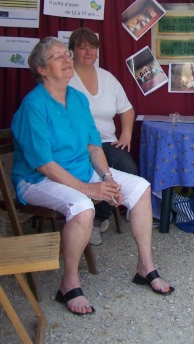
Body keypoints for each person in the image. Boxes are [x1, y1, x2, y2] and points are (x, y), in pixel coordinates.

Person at [11, 37, 174, 316]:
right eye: (58, 56)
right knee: (83, 207)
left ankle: (145, 267)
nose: (67, 60)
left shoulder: (76, 98)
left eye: (66, 55)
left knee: (141, 187)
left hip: (80, 171)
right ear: (41, 69)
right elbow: (44, 165)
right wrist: (90, 189)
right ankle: (69, 284)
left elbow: (93, 145)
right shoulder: (33, 105)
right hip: (37, 180)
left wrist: (107, 177)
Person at [68, 27, 139, 246]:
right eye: (82, 48)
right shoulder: (65, 76)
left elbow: (126, 109)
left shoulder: (107, 77)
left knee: (129, 169)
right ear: (71, 51)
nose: (88, 52)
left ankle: (99, 219)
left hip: (106, 141)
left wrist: (126, 134)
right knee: (94, 172)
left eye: (92, 47)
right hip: (76, 143)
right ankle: (84, 217)